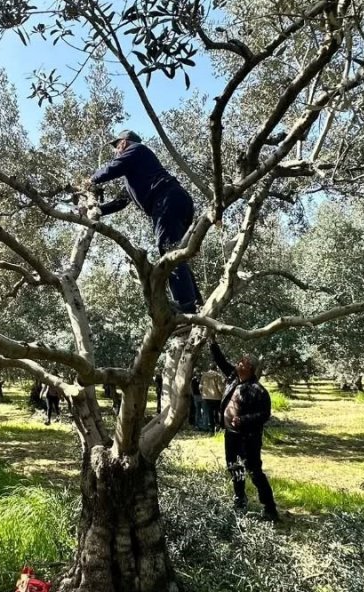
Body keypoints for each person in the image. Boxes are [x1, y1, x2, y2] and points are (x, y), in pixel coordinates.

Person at [88, 130, 202, 314]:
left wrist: (90, 180)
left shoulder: (137, 150)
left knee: (169, 252)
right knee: (175, 253)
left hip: (167, 200)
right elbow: (121, 201)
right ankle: (195, 304)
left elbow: (111, 169)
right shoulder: (135, 173)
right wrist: (98, 210)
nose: (116, 152)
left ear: (124, 143)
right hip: (173, 201)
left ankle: (186, 307)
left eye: (117, 147)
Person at [210, 341, 279, 520]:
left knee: (254, 471)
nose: (239, 362)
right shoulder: (233, 378)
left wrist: (244, 420)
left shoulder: (258, 391)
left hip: (248, 438)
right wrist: (212, 342)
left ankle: (269, 508)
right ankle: (240, 500)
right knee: (234, 467)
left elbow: (265, 414)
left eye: (244, 361)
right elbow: (221, 361)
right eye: (240, 360)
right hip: (231, 435)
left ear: (251, 368)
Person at [200, 369, 225, 434]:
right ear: (215, 369)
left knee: (210, 414)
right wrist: (223, 393)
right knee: (217, 413)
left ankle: (211, 430)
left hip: (206, 397)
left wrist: (202, 393)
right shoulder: (217, 375)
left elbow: (200, 386)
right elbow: (220, 387)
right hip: (216, 397)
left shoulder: (204, 375)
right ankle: (218, 427)